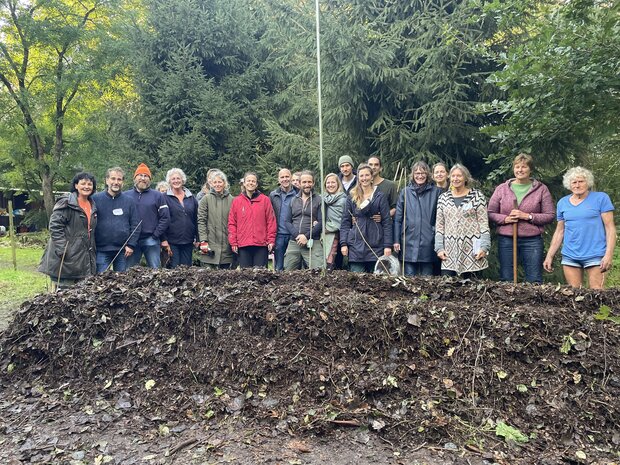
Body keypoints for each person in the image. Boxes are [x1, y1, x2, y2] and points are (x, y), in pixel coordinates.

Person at [543, 167, 616, 289]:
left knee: (597, 293)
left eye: (581, 181)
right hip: (570, 255)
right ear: (569, 184)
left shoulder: (601, 198)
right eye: (574, 182)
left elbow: (610, 228)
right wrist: (549, 255)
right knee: (574, 295)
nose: (577, 185)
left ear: (588, 182)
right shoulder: (562, 203)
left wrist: (608, 254)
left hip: (596, 254)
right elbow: (559, 231)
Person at [488, 154, 555, 283]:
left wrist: (528, 216)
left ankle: (533, 303)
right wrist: (505, 219)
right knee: (506, 278)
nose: (520, 170)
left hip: (532, 240)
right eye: (517, 167)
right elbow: (490, 212)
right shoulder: (502, 189)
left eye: (524, 167)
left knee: (534, 279)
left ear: (530, 169)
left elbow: (550, 215)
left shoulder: (541, 190)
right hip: (507, 239)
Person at [39, 172, 98, 288]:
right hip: (67, 256)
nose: (86, 187)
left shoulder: (92, 204)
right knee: (64, 293)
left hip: (84, 256)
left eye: (90, 184)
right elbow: (55, 226)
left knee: (81, 293)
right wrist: (62, 249)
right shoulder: (67, 202)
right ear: (76, 185)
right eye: (83, 183)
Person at [435, 164, 490, 277]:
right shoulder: (443, 198)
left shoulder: (477, 197)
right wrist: (439, 248)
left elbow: (484, 223)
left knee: (473, 290)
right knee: (447, 288)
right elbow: (440, 225)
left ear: (465, 178)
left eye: (459, 176)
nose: (456, 179)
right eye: (453, 176)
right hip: (449, 252)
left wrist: (484, 247)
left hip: (473, 251)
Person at [340, 164, 392, 273]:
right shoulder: (351, 197)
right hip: (356, 245)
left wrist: (387, 245)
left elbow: (387, 222)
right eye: (361, 176)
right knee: (356, 280)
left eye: (367, 175)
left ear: (372, 177)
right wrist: (343, 243)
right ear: (358, 178)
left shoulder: (380, 196)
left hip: (376, 244)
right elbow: (345, 222)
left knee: (376, 282)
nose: (364, 178)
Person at [393, 161, 442, 276]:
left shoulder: (436, 192)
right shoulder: (405, 192)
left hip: (429, 241)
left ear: (428, 174)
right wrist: (396, 240)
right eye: (417, 173)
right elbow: (398, 219)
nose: (420, 176)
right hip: (408, 241)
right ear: (413, 175)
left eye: (423, 173)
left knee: (427, 279)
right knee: (409, 280)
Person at [92, 167, 141, 273]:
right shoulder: (95, 199)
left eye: (119, 179)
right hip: (101, 250)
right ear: (106, 180)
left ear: (123, 182)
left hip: (123, 251)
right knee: (100, 282)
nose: (116, 182)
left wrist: (131, 244)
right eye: (113, 179)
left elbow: (136, 224)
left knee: (121, 283)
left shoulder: (129, 201)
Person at [125, 163, 170, 268]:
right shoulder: (125, 196)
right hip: (132, 241)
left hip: (151, 239)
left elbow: (165, 217)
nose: (143, 178)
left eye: (146, 176)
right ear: (135, 178)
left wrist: (155, 235)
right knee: (129, 272)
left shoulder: (157, 196)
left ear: (150, 179)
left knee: (155, 271)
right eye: (140, 175)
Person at [228, 172, 277, 268]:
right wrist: (233, 241)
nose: (251, 183)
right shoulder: (236, 201)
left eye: (253, 181)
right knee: (246, 275)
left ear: (256, 184)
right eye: (248, 181)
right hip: (243, 244)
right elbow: (232, 223)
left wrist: (271, 240)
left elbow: (271, 221)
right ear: (244, 183)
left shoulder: (265, 200)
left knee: (261, 275)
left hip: (261, 244)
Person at [283, 170, 324, 270]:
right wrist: (298, 236)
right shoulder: (293, 200)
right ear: (300, 183)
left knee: (318, 271)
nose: (307, 185)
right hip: (294, 241)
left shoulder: (319, 200)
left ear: (313, 183)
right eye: (304, 182)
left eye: (309, 182)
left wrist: (306, 236)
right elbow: (287, 221)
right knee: (288, 271)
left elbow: (321, 221)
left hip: (313, 241)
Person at [197, 169, 235, 269]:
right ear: (211, 184)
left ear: (224, 183)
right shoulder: (206, 199)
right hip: (210, 245)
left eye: (220, 182)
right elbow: (201, 221)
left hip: (226, 246)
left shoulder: (232, 200)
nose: (217, 184)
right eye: (215, 182)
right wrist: (203, 240)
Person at [163, 168, 199, 267]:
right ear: (169, 181)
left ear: (182, 180)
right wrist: (163, 239)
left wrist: (198, 238)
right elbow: (162, 220)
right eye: (173, 179)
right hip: (172, 241)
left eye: (178, 178)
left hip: (188, 240)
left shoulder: (191, 198)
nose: (176, 181)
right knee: (174, 270)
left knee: (186, 270)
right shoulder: (164, 198)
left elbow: (196, 219)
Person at [269, 168, 298, 271]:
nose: (285, 179)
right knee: (279, 267)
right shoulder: (273, 195)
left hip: (294, 235)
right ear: (278, 179)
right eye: (282, 177)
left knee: (293, 266)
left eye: (287, 176)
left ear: (291, 178)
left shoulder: (298, 194)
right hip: (279, 235)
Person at [323, 173, 347, 270]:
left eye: (333, 182)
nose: (330, 185)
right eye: (328, 183)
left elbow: (344, 220)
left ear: (338, 184)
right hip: (324, 235)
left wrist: (329, 228)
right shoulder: (322, 198)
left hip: (340, 236)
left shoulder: (343, 199)